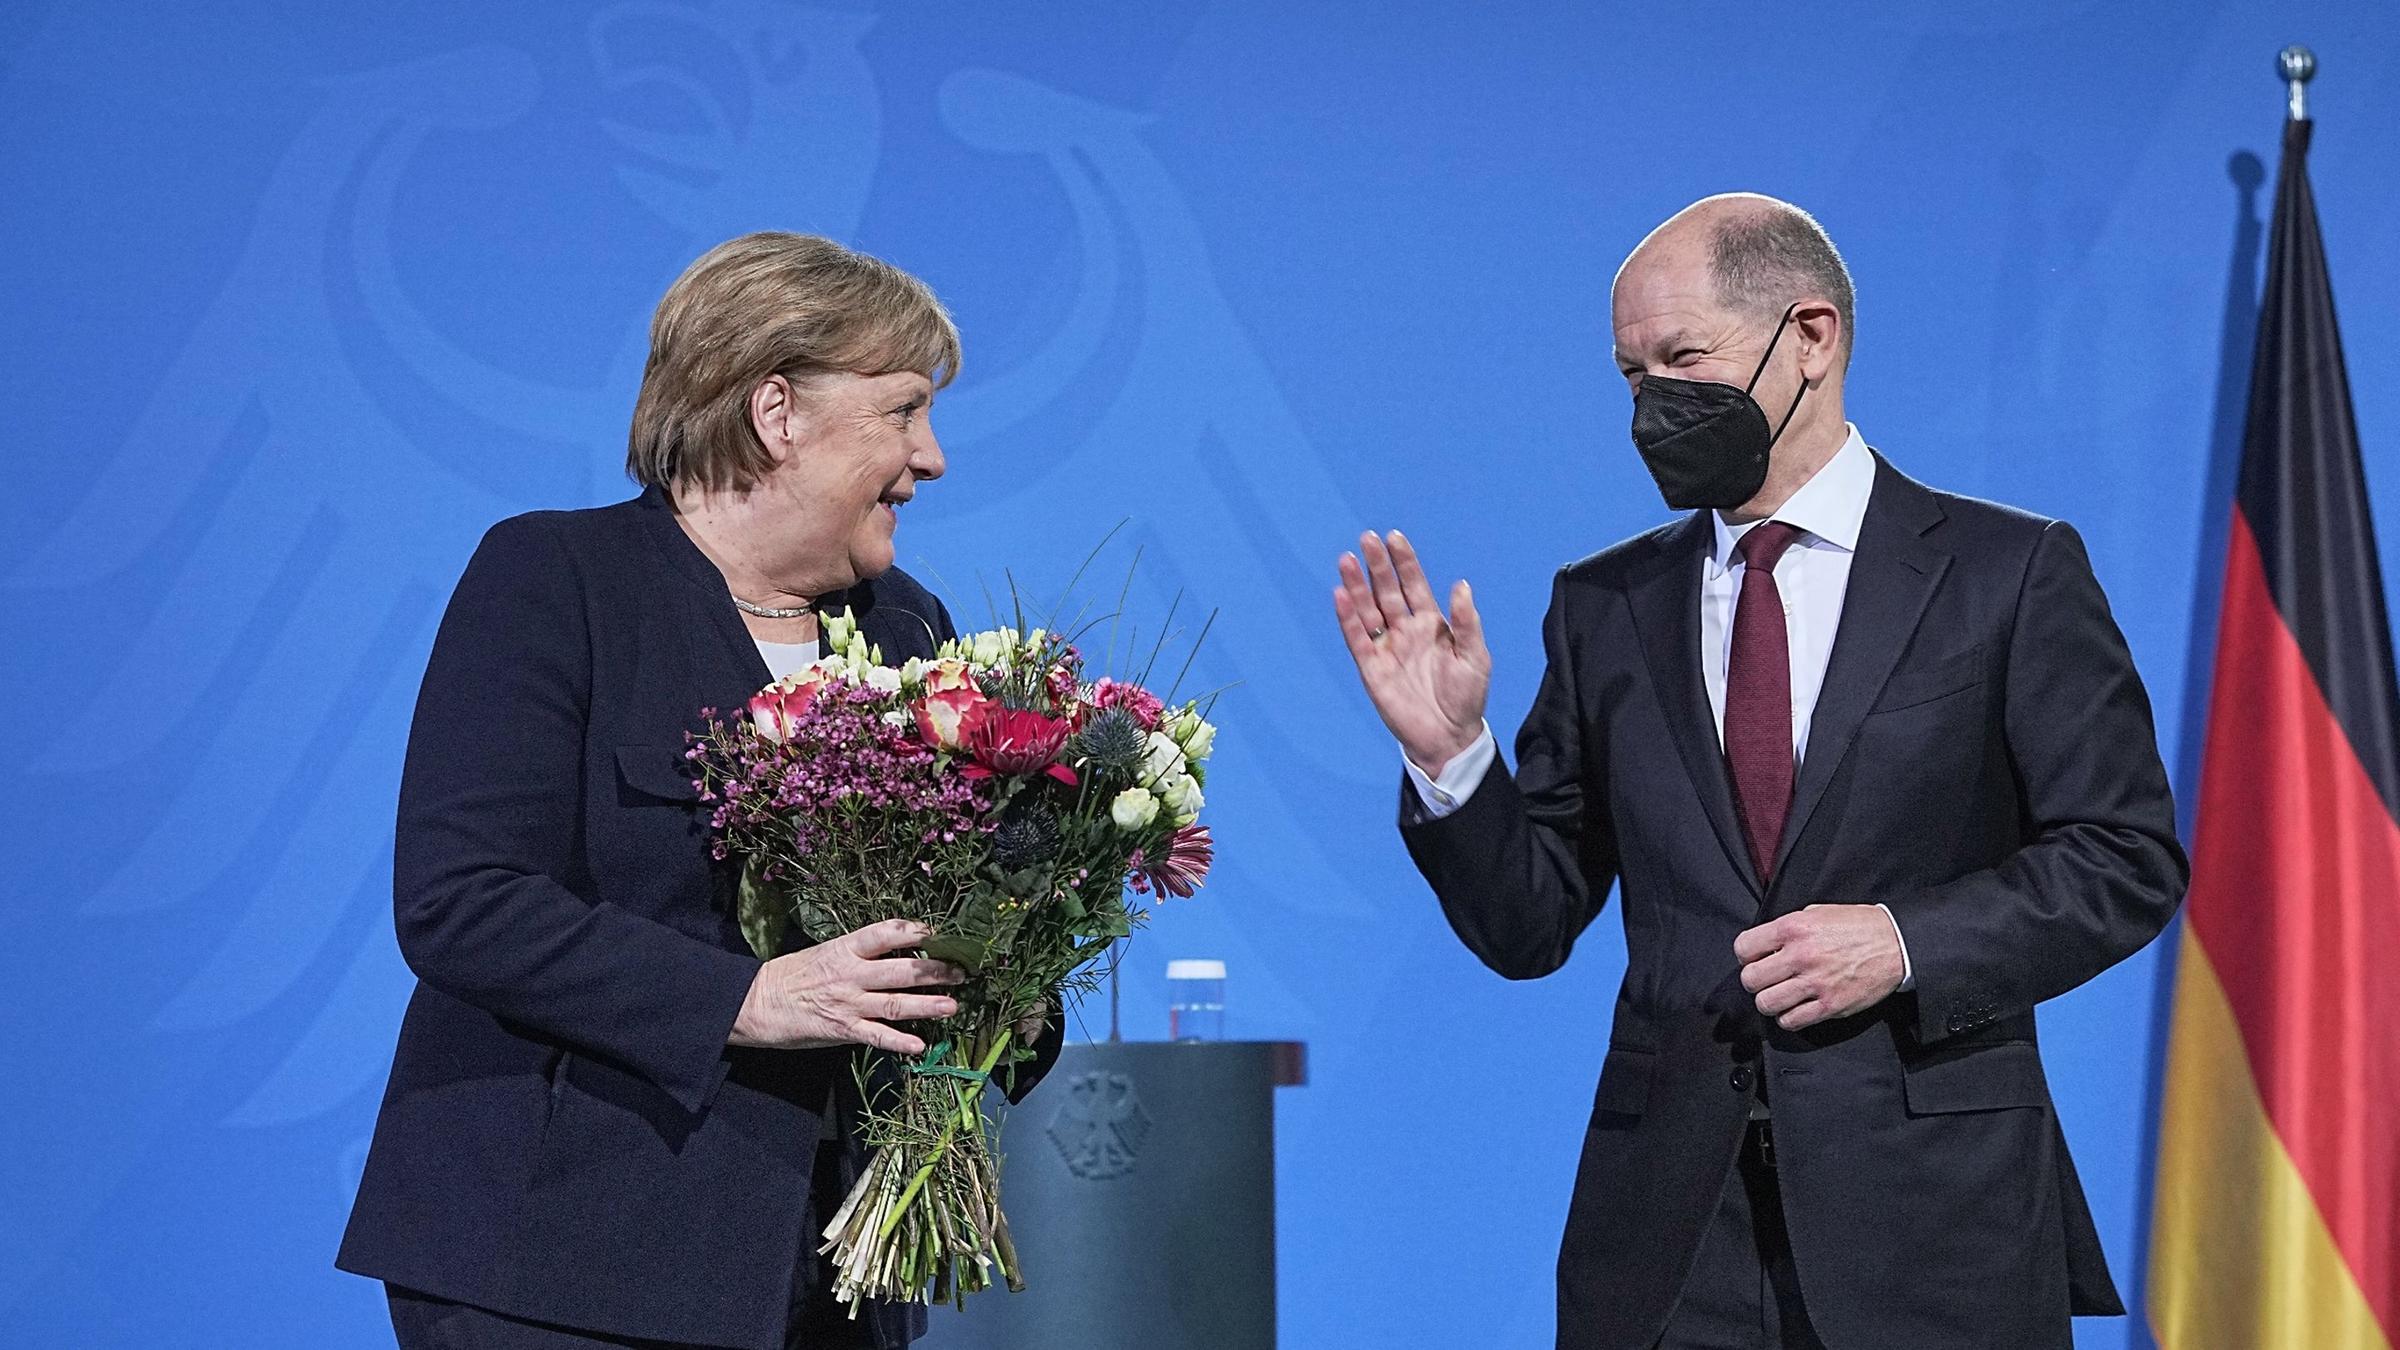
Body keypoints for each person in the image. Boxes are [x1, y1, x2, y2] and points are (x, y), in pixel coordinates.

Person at [1333, 194, 2185, 1350]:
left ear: (1812, 338)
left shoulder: (2008, 573)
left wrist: (1900, 942)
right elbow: (1527, 926)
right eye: (1632, 376)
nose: (1653, 406)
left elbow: (2124, 857)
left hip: (1937, 1231)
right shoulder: (1605, 605)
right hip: (1672, 1244)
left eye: (1683, 358)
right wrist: (1450, 761)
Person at [337, 232, 1057, 1350]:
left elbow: (947, 924)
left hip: (824, 1276)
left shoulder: (907, 626)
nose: (933, 457)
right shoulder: (557, 580)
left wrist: (1014, 971)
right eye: (905, 411)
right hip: (559, 1259)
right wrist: (747, 1000)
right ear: (778, 413)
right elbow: (461, 900)